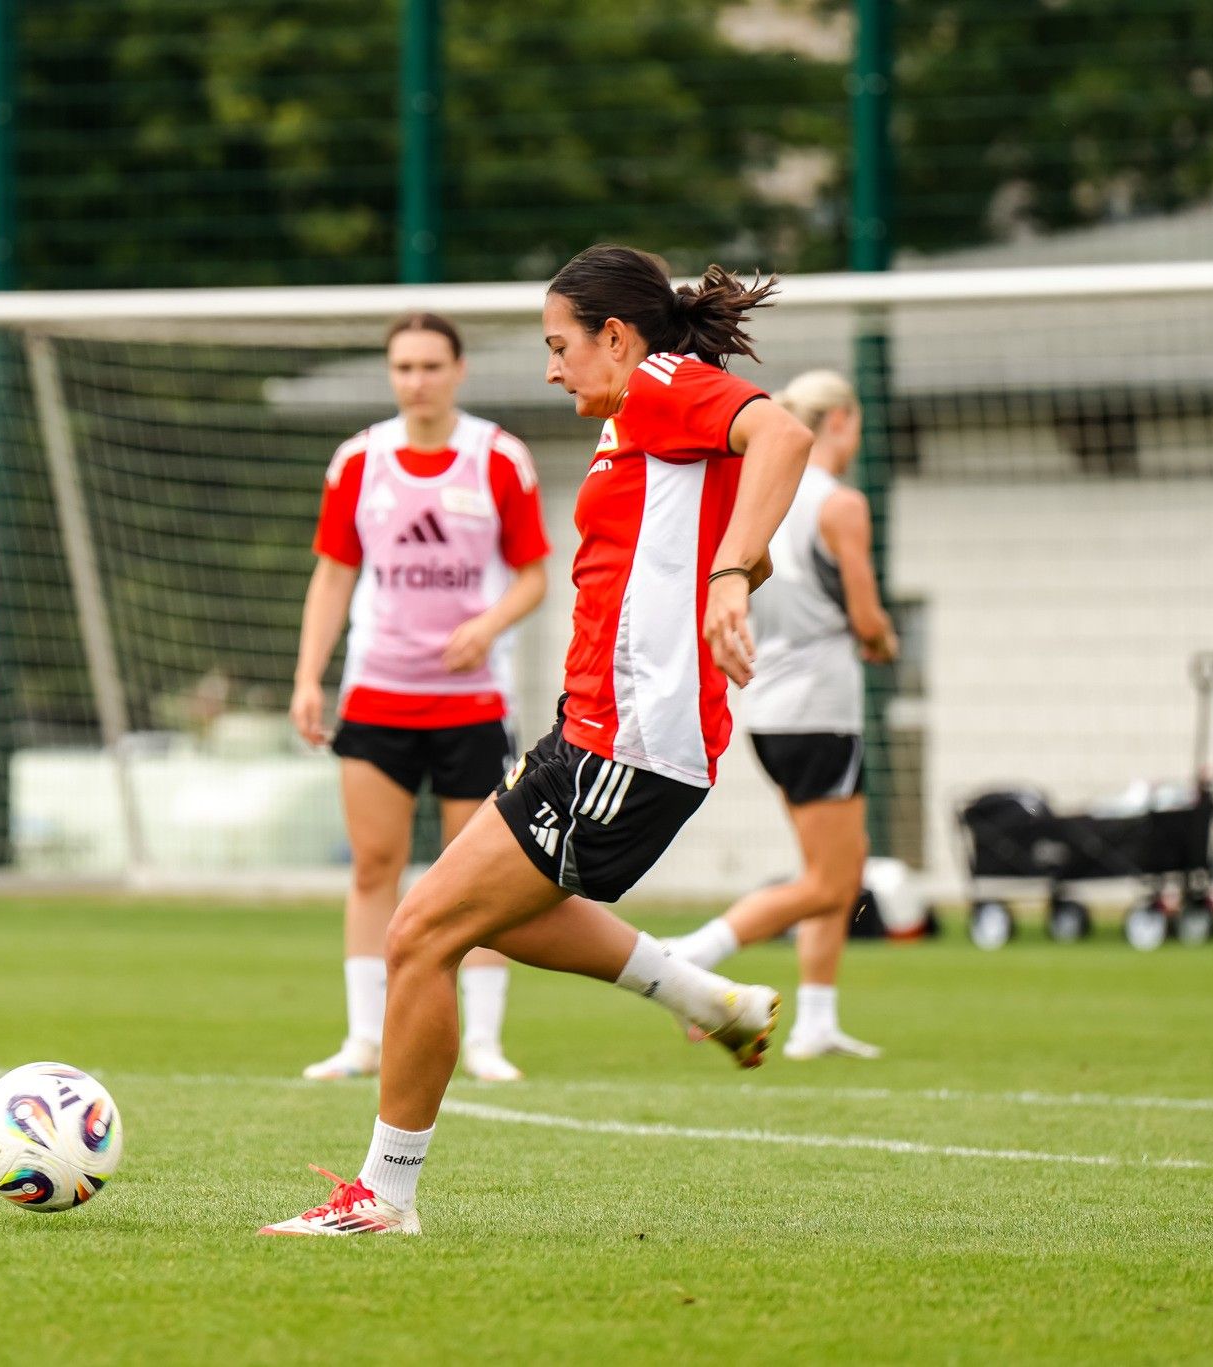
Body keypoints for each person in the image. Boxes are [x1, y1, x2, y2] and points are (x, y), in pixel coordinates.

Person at [261, 245, 814, 1236]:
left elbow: (782, 434)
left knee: (420, 931)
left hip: (624, 745)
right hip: (590, 730)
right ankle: (707, 994)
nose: (552, 368)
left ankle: (383, 1198)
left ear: (614, 334)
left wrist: (728, 578)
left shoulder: (657, 384)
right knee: (470, 914)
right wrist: (729, 574)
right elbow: (723, 531)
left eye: (559, 345)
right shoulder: (637, 418)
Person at [290, 312, 551, 1085]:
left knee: (482, 876)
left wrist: (489, 623)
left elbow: (535, 573)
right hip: (378, 694)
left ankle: (486, 1042)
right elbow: (334, 573)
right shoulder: (358, 462)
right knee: (376, 864)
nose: (417, 380)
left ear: (459, 370)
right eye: (403, 367)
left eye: (432, 365)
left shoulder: (498, 458)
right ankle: (364, 1037)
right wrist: (309, 675)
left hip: (472, 702)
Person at [666, 370, 897, 1059]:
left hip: (768, 706)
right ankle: (688, 953)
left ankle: (818, 1019)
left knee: (834, 868)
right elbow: (866, 617)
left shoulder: (758, 496)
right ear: (842, 422)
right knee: (831, 879)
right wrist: (885, 640)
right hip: (821, 706)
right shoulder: (840, 503)